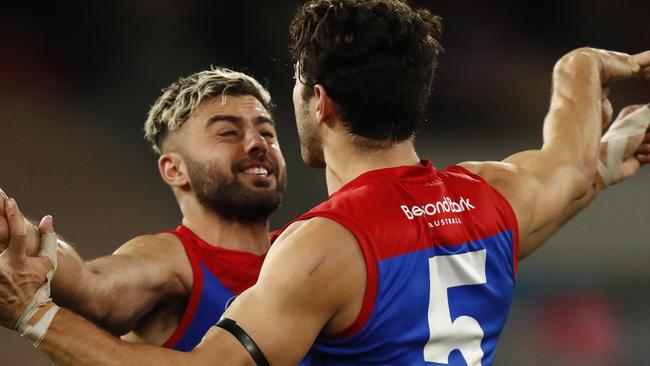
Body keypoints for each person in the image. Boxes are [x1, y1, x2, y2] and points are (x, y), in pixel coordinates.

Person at [1, 0, 649, 365]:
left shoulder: (325, 246)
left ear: (320, 103)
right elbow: (567, 171)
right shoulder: (491, 198)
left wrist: (35, 316)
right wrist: (579, 70)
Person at [0, 67, 287, 351]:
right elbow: (92, 286)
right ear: (175, 170)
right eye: (228, 133)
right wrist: (12, 229)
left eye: (267, 131)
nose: (258, 143)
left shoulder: (304, 250)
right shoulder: (172, 261)